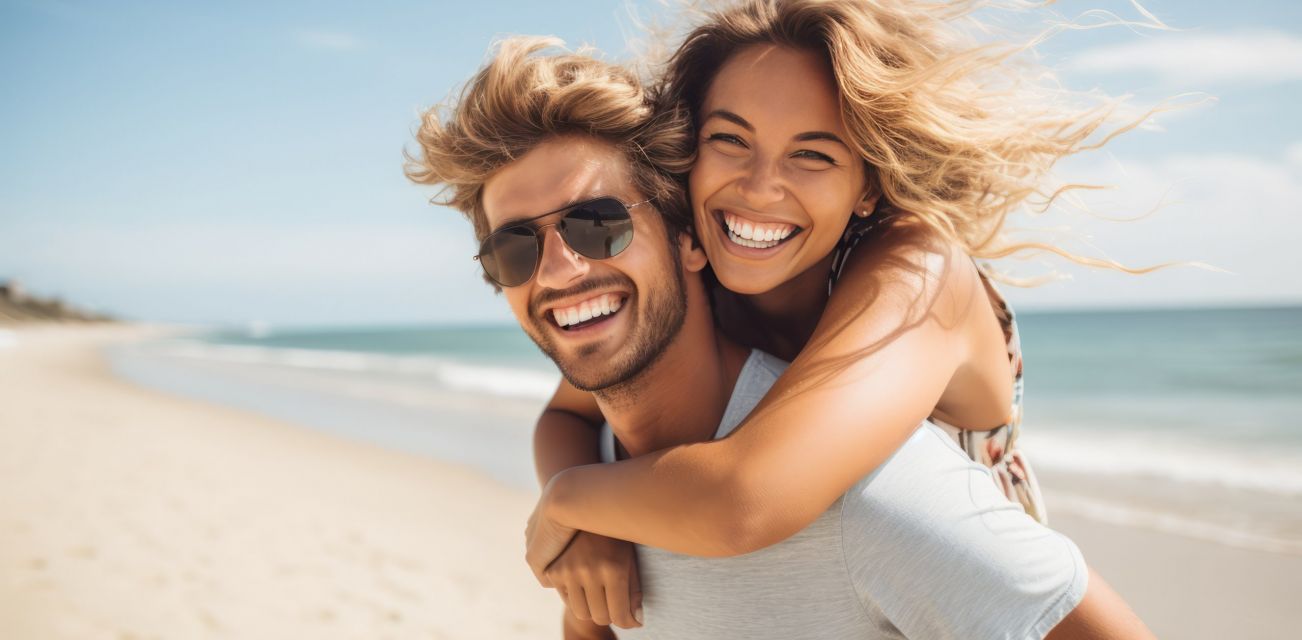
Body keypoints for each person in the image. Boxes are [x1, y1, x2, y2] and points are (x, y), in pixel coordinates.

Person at [407, 36, 1153, 640]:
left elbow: (745, 498)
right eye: (731, 142)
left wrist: (571, 501)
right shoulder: (707, 298)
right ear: (691, 173)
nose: (760, 188)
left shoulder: (914, 273)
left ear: (867, 183)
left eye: (598, 226)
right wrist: (584, 533)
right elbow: (571, 412)